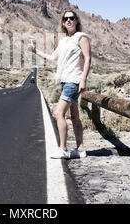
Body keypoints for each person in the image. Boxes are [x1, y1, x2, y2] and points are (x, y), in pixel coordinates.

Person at [29, 10, 91, 159]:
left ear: (76, 21)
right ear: (63, 23)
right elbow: (52, 57)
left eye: (72, 18)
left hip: (74, 80)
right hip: (65, 81)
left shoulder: (81, 37)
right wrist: (35, 50)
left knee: (58, 113)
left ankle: (63, 149)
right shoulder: (63, 41)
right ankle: (80, 149)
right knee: (74, 116)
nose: (69, 20)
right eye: (66, 19)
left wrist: (83, 79)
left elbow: (88, 59)